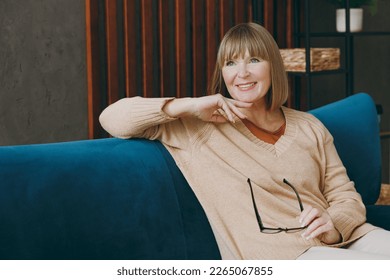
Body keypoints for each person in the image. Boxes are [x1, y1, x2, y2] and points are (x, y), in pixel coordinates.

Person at [99, 22, 390, 259]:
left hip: (349, 239)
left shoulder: (310, 127)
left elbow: (346, 197)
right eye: (230, 63)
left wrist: (334, 224)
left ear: (272, 67)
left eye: (254, 60)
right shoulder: (198, 128)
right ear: (221, 72)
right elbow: (112, 119)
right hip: (289, 258)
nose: (242, 73)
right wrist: (186, 106)